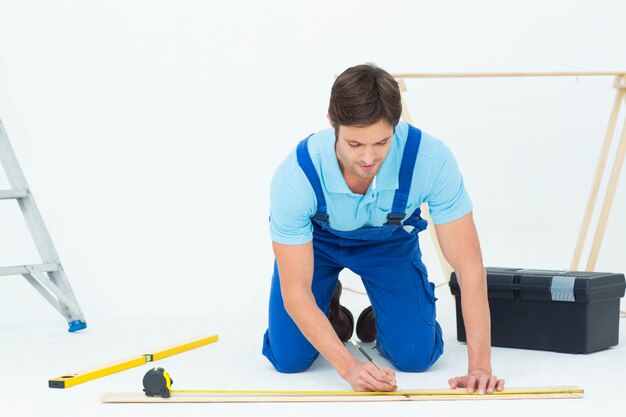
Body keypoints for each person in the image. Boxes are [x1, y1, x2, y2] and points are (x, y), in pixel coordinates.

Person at [262, 63, 505, 394]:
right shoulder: (296, 177)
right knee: (288, 358)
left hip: (388, 244)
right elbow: (295, 291)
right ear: (332, 123)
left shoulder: (431, 160)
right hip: (315, 245)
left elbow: (468, 266)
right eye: (355, 144)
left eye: (381, 142)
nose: (368, 157)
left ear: (396, 124)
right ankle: (331, 311)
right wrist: (348, 367)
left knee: (417, 356)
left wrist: (480, 366)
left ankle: (384, 313)